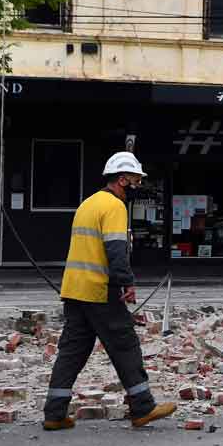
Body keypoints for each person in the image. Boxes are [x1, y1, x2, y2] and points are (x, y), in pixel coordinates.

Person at [42, 152, 176, 431]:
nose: (136, 189)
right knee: (125, 345)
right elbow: (116, 251)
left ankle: (54, 413)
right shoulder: (114, 207)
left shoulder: (87, 204)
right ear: (122, 180)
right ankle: (142, 407)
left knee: (72, 351)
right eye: (135, 182)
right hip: (100, 290)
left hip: (74, 289)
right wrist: (126, 283)